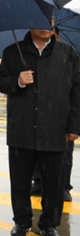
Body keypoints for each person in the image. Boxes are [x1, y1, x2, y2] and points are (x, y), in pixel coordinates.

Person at [0, 25, 80, 236]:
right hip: (21, 129)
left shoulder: (68, 54)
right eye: (40, 22)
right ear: (30, 24)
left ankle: (49, 225)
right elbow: (0, 81)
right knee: (20, 181)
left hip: (55, 129)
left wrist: (74, 126)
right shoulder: (13, 52)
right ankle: (21, 222)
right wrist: (18, 81)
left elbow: (77, 91)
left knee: (54, 183)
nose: (46, 27)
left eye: (49, 22)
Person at [30, 26, 76, 202]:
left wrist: (74, 124)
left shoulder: (70, 57)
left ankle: (63, 186)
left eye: (54, 36)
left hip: (61, 117)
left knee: (64, 156)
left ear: (57, 37)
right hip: (38, 115)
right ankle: (38, 182)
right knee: (36, 152)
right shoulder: (35, 57)